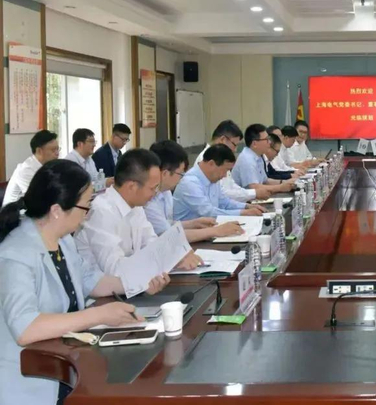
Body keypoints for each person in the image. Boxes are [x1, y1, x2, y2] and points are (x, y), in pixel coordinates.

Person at [0, 160, 168, 405]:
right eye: (85, 206)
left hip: (64, 362)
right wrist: (98, 315)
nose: (87, 215)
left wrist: (141, 282)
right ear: (57, 210)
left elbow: (91, 280)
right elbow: (26, 328)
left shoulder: (63, 240)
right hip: (31, 381)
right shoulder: (15, 253)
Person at [74, 149, 202, 292]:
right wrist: (165, 260)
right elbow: (115, 270)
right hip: (106, 296)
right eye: (153, 188)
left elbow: (153, 244)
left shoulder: (136, 206)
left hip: (134, 287)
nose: (155, 193)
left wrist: (175, 256)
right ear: (132, 186)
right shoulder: (101, 212)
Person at [145, 140, 244, 242]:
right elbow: (168, 235)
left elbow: (168, 224)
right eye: (180, 174)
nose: (181, 179)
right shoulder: (148, 200)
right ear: (165, 174)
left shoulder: (166, 192)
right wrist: (215, 231)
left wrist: (194, 223)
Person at [174, 144, 265, 221]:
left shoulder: (213, 179)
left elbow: (224, 202)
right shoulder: (190, 183)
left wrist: (246, 206)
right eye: (225, 170)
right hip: (189, 234)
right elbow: (208, 213)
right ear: (211, 164)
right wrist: (243, 213)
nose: (225, 175)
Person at [198, 120, 271, 203]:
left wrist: (248, 202)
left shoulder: (221, 157)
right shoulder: (206, 159)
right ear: (223, 140)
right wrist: (254, 193)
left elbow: (232, 186)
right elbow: (223, 194)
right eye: (234, 145)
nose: (235, 150)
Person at [231, 124, 295, 192]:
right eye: (266, 139)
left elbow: (265, 181)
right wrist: (280, 187)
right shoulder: (247, 159)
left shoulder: (258, 156)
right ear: (254, 144)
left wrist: (284, 182)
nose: (269, 142)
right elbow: (254, 187)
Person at [3, 130, 60, 207]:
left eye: (58, 149)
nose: (57, 153)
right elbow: (36, 197)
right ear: (39, 151)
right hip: (15, 212)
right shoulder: (26, 170)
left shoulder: (49, 166)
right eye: (53, 150)